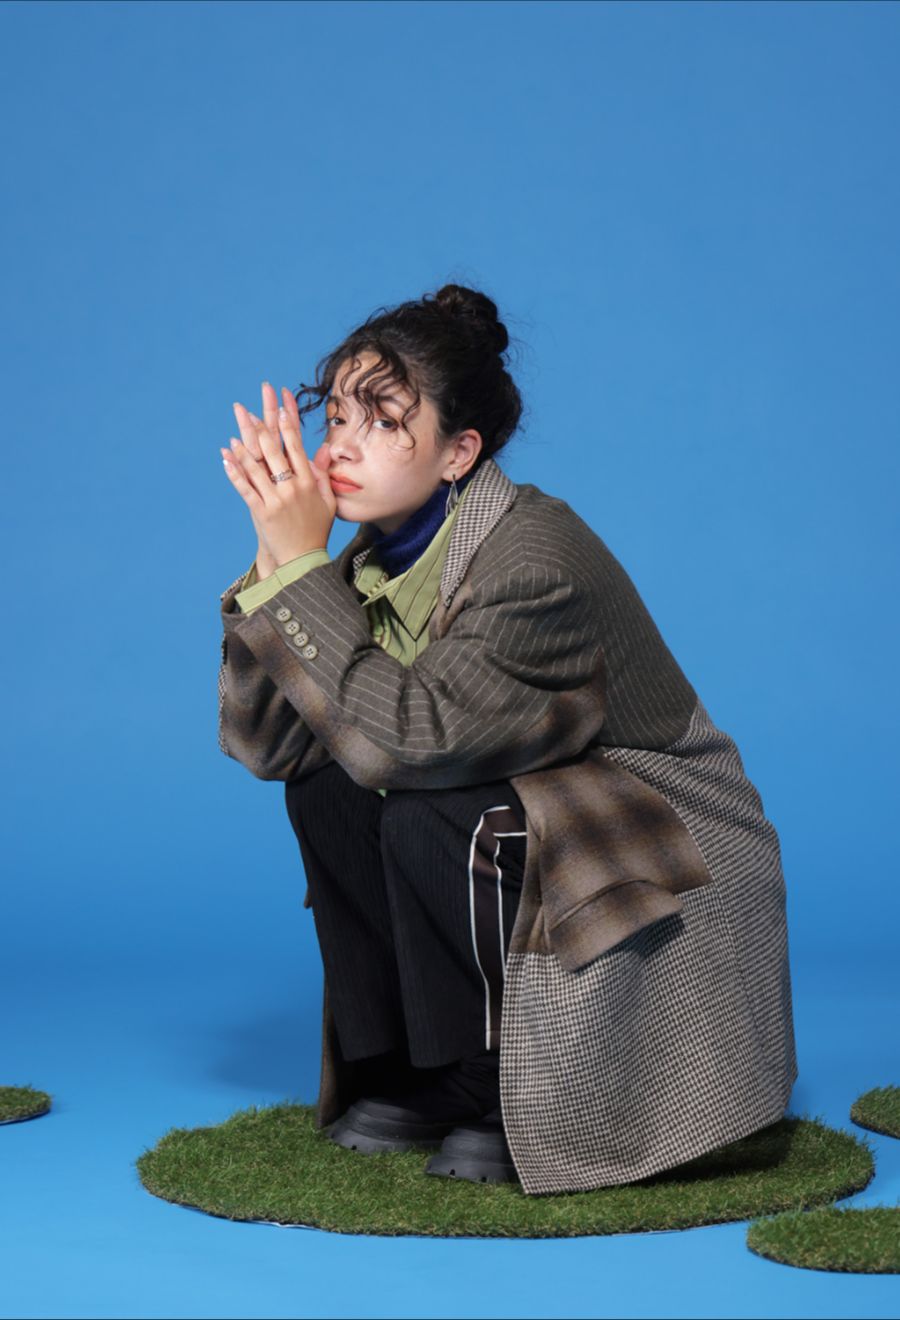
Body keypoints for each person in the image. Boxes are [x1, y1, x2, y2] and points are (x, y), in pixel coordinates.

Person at [216, 283, 798, 1196]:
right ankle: (406, 1070)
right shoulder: (369, 560)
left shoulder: (535, 563)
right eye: (337, 418)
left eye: (384, 421)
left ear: (460, 452)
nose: (341, 446)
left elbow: (410, 741)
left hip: (655, 826)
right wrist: (275, 560)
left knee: (428, 813)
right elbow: (273, 747)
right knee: (326, 784)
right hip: (534, 792)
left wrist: (297, 573)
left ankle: (489, 1082)